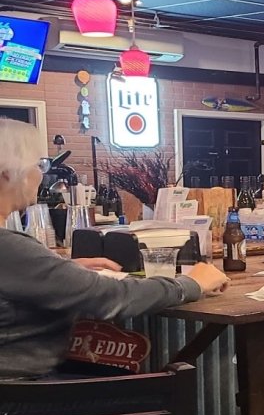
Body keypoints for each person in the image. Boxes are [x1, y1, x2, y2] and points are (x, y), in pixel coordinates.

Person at [0, 118, 230, 388]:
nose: (42, 175)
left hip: (21, 387)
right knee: (173, 385)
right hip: (23, 395)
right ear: (7, 174)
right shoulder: (9, 248)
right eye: (39, 165)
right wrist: (191, 284)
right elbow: (111, 297)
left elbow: (19, 275)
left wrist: (62, 269)